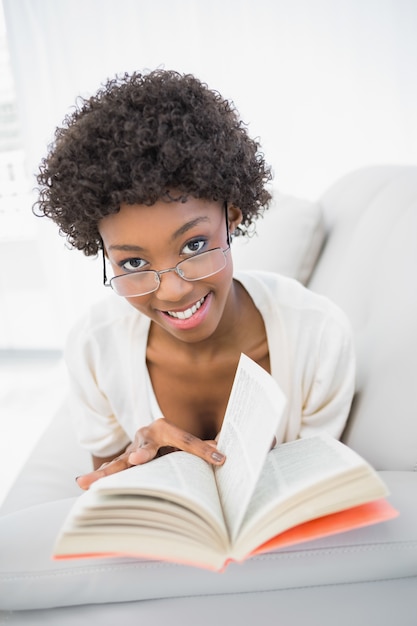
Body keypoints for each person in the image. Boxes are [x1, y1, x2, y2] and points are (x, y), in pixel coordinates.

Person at [35, 69, 355, 491]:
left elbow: (319, 494)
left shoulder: (319, 337)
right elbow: (106, 488)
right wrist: (139, 465)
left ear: (233, 216)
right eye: (133, 263)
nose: (173, 290)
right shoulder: (96, 348)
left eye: (193, 245)